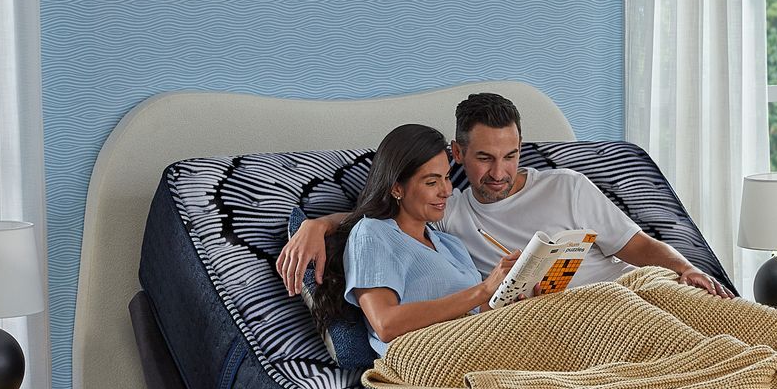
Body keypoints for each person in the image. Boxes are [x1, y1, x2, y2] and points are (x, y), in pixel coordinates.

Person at [279, 91, 733, 298]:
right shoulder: (447, 215)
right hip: (560, 321)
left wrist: (686, 269)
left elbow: (637, 247)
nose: (499, 173)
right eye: (484, 159)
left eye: (510, 156)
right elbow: (385, 212)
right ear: (456, 153)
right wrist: (318, 224)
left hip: (628, 293)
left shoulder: (567, 186)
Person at [308, 123, 526, 356]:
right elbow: (385, 324)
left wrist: (513, 299)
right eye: (431, 182)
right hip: (430, 356)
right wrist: (483, 289)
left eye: (447, 177)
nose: (446, 190)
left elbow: (477, 312)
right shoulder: (372, 233)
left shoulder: (450, 245)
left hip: (479, 343)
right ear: (397, 189)